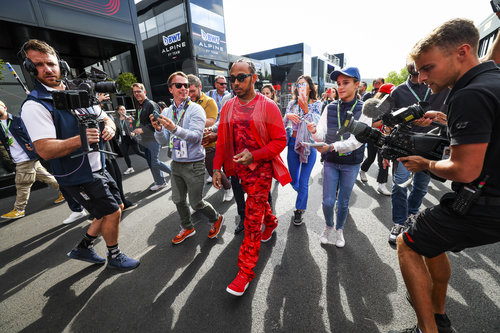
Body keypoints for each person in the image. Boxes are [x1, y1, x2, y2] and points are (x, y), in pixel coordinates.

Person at [389, 18, 500, 333]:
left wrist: (425, 164)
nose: (422, 78)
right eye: (418, 71)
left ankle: (428, 329)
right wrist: (450, 121)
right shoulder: (492, 76)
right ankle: (438, 314)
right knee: (431, 238)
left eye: (428, 68)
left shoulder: (469, 94)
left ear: (463, 52)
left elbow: (464, 169)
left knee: (407, 244)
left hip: (484, 203)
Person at [20, 39, 139, 271]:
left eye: (51, 63)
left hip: (98, 166)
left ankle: (83, 247)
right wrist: (81, 139)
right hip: (77, 174)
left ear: (60, 64)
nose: (48, 69)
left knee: (115, 207)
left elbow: (104, 116)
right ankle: (114, 256)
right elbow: (44, 149)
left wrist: (110, 127)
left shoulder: (79, 91)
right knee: (112, 211)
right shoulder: (35, 105)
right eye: (40, 65)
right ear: (30, 68)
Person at [213, 58, 291, 296]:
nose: (235, 83)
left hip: (261, 171)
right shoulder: (228, 106)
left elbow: (280, 141)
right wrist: (217, 167)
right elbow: (223, 140)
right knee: (257, 206)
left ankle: (245, 272)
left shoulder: (268, 106)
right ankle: (273, 221)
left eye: (241, 77)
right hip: (238, 170)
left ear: (254, 78)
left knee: (251, 218)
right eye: (232, 78)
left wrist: (255, 155)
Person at [153, 71, 224, 245]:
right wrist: (159, 129)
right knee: (178, 200)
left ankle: (216, 218)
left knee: (196, 202)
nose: (184, 88)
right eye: (179, 85)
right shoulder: (168, 111)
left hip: (194, 163)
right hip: (176, 163)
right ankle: (187, 227)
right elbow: (163, 141)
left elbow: (196, 137)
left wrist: (174, 128)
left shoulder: (196, 109)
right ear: (171, 89)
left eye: (186, 85)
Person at [307, 67, 371, 247]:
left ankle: (339, 230)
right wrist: (314, 132)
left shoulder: (365, 110)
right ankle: (328, 226)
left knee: (343, 202)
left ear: (357, 84)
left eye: (346, 83)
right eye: (338, 83)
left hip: (352, 163)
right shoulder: (330, 107)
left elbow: (357, 141)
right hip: (331, 162)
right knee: (327, 202)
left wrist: (331, 146)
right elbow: (321, 134)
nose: (341, 87)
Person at [387, 61, 449, 246]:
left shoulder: (441, 87)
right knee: (399, 185)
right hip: (405, 146)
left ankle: (411, 214)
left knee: (421, 187)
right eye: (411, 59)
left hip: (432, 145)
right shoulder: (398, 91)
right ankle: (399, 223)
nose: (414, 64)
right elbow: (388, 120)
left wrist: (436, 121)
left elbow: (452, 115)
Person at [0, 100, 64, 219]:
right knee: (46, 176)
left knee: (22, 184)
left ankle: (19, 209)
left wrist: (32, 146)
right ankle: (66, 191)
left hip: (26, 157)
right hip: (18, 158)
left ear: (5, 107)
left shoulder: (18, 120)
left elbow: (32, 134)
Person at [187, 74, 233, 202]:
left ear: (199, 87)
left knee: (213, 168)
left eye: (193, 91)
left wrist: (190, 120)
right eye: (188, 91)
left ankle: (228, 188)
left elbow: (212, 122)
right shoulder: (185, 101)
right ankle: (196, 201)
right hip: (191, 144)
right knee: (194, 175)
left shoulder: (209, 101)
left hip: (209, 142)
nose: (190, 94)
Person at [284, 76, 321, 225]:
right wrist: (288, 115)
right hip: (293, 143)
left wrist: (306, 109)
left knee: (304, 181)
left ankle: (299, 210)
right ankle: (303, 195)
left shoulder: (317, 103)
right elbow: (283, 122)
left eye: (303, 84)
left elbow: (316, 123)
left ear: (310, 88)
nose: (300, 86)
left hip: (309, 145)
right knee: (293, 179)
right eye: (298, 84)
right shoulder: (292, 103)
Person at [131, 83, 171, 191]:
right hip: (145, 139)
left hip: (153, 138)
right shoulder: (140, 106)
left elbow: (157, 122)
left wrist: (142, 129)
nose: (137, 94)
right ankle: (160, 182)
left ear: (144, 92)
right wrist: (133, 122)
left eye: (139, 91)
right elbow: (141, 122)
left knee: (154, 161)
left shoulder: (150, 104)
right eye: (135, 92)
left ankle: (175, 173)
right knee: (151, 162)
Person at [359, 83, 394, 196]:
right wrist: (385, 120)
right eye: (389, 94)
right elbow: (372, 124)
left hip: (386, 137)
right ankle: (363, 171)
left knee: (383, 161)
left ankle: (382, 184)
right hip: (373, 136)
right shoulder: (373, 106)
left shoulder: (393, 106)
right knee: (370, 157)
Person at [114, 105, 147, 175]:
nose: (123, 111)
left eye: (124, 109)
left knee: (138, 152)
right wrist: (117, 140)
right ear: (118, 111)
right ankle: (130, 168)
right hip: (124, 139)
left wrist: (134, 133)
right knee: (125, 153)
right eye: (121, 109)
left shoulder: (129, 118)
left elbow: (136, 126)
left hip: (132, 138)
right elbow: (117, 131)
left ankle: (150, 160)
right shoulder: (116, 120)